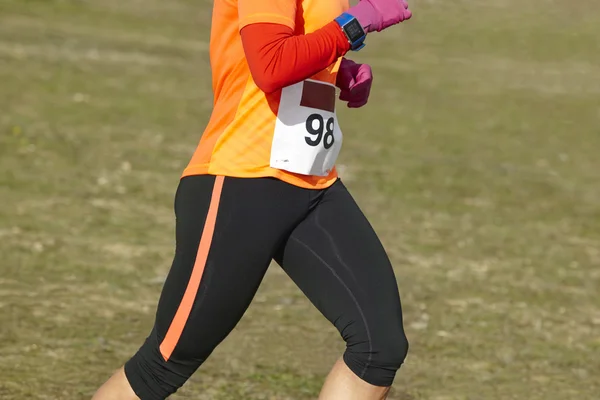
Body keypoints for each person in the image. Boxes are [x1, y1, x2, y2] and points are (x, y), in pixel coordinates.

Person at [92, 0, 412, 399]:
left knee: (379, 346)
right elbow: (270, 63)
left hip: (313, 185)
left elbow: (290, 48)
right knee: (164, 365)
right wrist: (353, 25)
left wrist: (334, 73)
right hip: (239, 183)